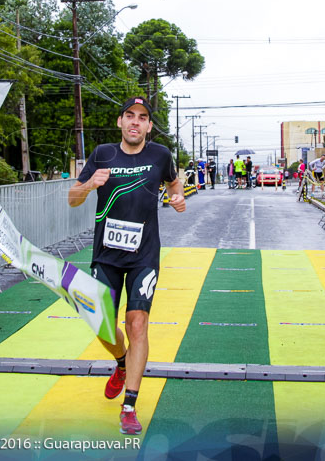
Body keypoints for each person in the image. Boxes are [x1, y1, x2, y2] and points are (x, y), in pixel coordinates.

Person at [67, 97, 185, 435]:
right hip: (105, 256)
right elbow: (72, 198)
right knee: (102, 325)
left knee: (137, 325)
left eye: (143, 118)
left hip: (143, 256)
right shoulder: (103, 154)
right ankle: (121, 362)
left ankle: (129, 405)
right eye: (129, 116)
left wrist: (176, 198)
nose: (135, 122)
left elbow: (173, 184)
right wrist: (90, 184)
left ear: (149, 126)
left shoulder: (160, 155)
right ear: (120, 122)